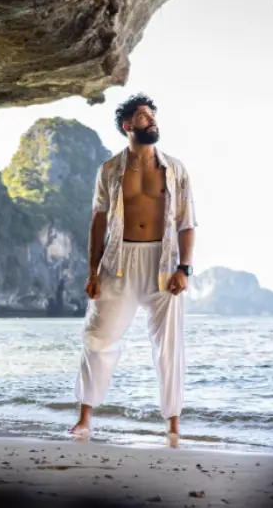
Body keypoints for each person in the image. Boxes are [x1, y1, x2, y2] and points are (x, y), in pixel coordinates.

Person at [71, 93, 197, 439]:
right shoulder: (110, 170)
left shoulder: (176, 170)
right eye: (143, 116)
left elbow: (187, 223)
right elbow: (98, 221)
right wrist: (93, 271)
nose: (152, 120)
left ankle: (173, 423)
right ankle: (84, 418)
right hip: (118, 262)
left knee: (169, 346)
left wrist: (184, 268)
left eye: (153, 115)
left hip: (163, 264)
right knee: (97, 337)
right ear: (128, 125)